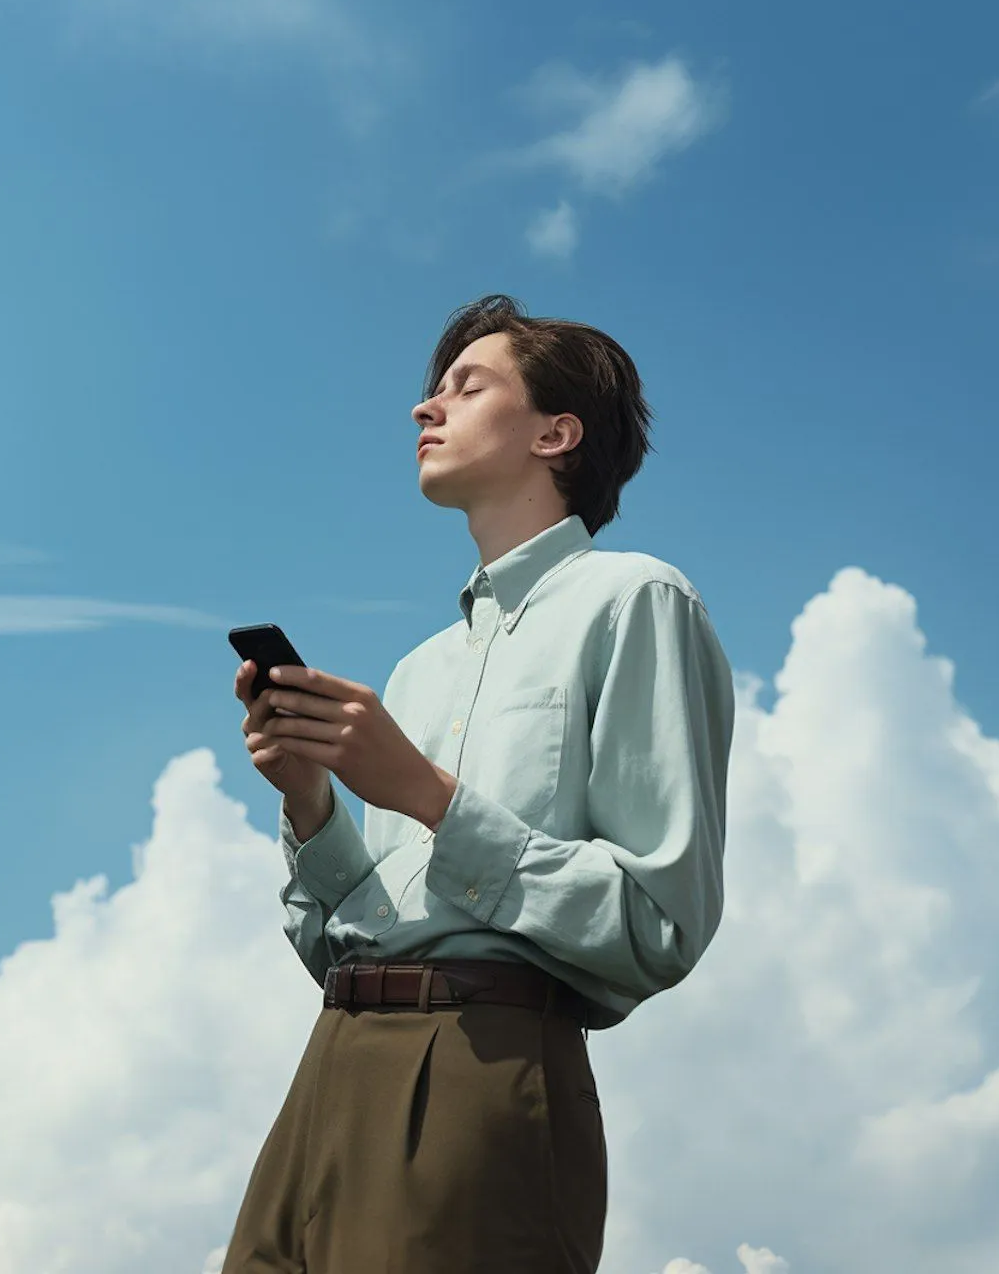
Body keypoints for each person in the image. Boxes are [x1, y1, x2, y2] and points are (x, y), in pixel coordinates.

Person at [220, 294, 735, 1274]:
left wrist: (426, 793)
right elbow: (342, 941)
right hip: (328, 1066)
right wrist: (310, 800)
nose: (427, 407)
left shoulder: (635, 600)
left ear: (555, 433)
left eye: (468, 386)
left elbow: (659, 921)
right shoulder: (419, 670)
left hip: (478, 1064)